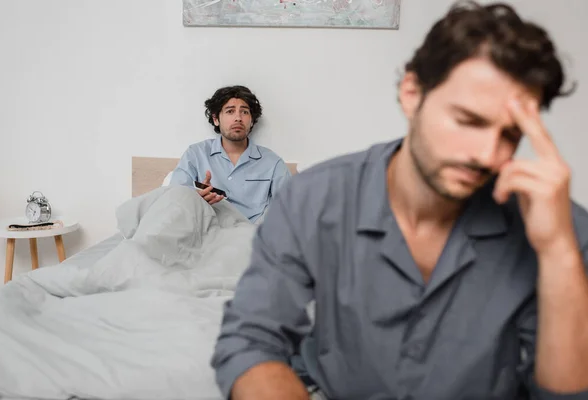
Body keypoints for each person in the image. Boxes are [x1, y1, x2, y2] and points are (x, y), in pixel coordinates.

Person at [211, 2, 588, 400]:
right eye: (468, 120)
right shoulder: (314, 198)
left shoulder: (560, 226)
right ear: (412, 93)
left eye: (511, 134)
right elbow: (251, 341)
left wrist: (559, 254)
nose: (488, 154)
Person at [169, 85, 292, 223]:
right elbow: (174, 197)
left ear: (251, 121)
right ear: (216, 119)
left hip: (251, 234)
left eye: (244, 112)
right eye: (230, 111)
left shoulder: (272, 163)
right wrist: (197, 199)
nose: (238, 118)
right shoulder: (196, 154)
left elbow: (289, 207)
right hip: (206, 231)